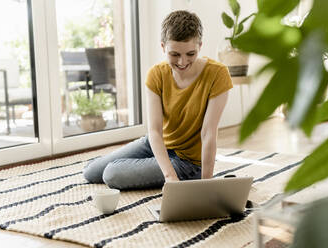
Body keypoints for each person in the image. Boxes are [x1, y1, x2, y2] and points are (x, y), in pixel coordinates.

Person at [83, 10, 233, 189]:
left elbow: (208, 133)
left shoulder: (218, 74)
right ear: (163, 47)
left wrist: (205, 184)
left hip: (188, 161)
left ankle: (176, 172)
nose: (182, 62)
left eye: (190, 54)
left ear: (200, 46)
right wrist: (169, 175)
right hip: (158, 144)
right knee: (91, 172)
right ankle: (155, 164)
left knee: (111, 174)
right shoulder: (156, 74)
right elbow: (154, 131)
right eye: (175, 54)